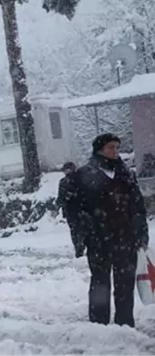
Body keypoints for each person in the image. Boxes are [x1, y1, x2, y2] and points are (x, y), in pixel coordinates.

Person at [67, 133, 149, 328]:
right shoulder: (85, 175)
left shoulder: (125, 173)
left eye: (116, 147)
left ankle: (124, 323)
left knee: (125, 283)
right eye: (111, 147)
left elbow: (137, 205)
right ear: (99, 150)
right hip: (99, 239)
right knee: (100, 284)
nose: (115, 151)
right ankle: (99, 324)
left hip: (125, 237)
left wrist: (141, 230)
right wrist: (82, 235)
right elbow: (74, 209)